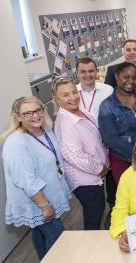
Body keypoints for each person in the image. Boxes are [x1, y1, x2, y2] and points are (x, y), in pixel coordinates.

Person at [1, 97, 71, 260]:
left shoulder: (46, 131)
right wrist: (45, 206)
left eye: (38, 110)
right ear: (17, 117)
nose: (35, 116)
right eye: (27, 113)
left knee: (40, 235)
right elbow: (26, 180)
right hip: (37, 201)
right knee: (59, 241)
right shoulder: (16, 143)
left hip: (48, 196)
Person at [53, 77, 108, 230]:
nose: (72, 97)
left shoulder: (80, 111)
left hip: (93, 174)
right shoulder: (66, 122)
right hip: (85, 179)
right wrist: (99, 168)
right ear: (57, 99)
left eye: (74, 92)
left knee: (97, 212)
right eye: (65, 95)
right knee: (94, 215)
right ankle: (91, 249)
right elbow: (74, 155)